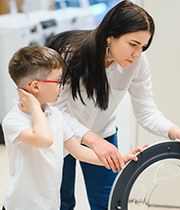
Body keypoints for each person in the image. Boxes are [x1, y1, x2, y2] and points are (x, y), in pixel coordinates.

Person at [47, 1, 180, 209]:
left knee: (106, 202)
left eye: (143, 47)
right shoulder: (70, 53)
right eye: (133, 44)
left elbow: (146, 111)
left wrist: (176, 132)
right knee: (61, 201)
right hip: (60, 134)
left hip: (102, 134)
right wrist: (91, 139)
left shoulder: (138, 64)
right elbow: (55, 111)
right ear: (110, 35)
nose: (138, 54)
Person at [2, 45, 148, 210]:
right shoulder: (13, 120)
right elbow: (44, 139)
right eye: (58, 80)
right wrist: (35, 108)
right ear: (35, 86)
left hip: (50, 205)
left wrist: (120, 159)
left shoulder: (55, 115)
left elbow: (79, 151)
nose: (62, 86)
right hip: (20, 206)